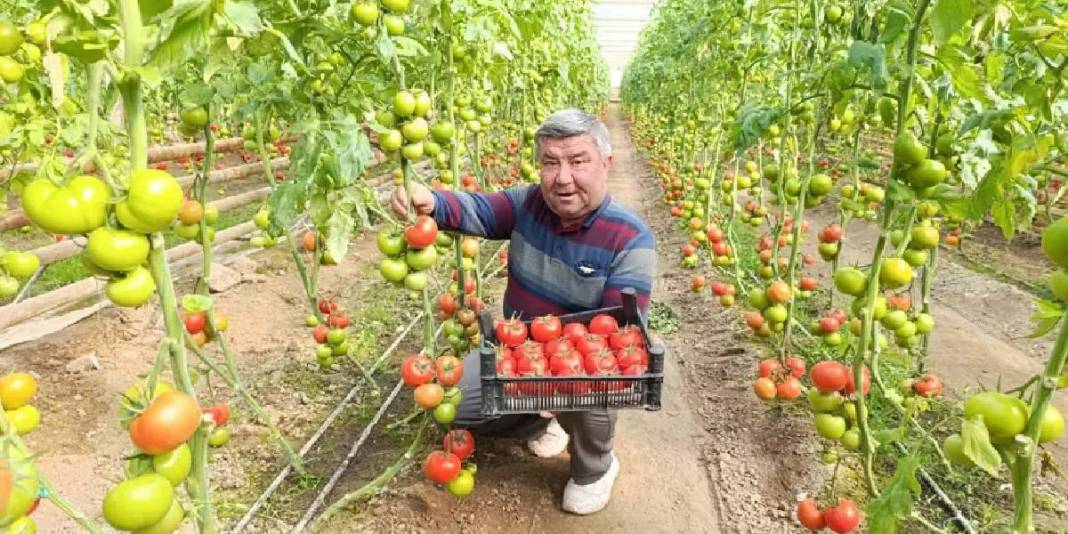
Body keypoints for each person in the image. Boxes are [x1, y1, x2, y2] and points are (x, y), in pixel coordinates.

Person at [390, 108, 656, 515]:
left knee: (599, 387)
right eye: (550, 162)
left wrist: (553, 386)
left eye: (578, 161)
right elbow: (476, 210)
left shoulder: (630, 238)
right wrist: (433, 202)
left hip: (580, 367)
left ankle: (595, 468)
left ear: (606, 163)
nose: (562, 178)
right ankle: (544, 418)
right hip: (516, 355)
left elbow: (617, 338)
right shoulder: (527, 204)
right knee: (456, 405)